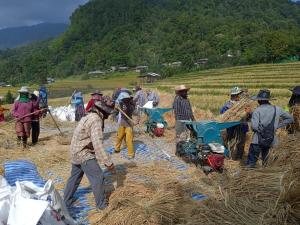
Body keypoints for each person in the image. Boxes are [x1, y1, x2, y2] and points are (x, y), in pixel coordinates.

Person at [64, 100, 115, 210]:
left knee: (75, 177)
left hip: (75, 150)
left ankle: (66, 200)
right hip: (83, 152)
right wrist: (108, 162)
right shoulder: (96, 120)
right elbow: (97, 144)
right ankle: (102, 206)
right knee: (98, 176)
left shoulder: (90, 115)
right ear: (103, 111)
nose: (107, 116)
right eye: (107, 113)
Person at [246, 89, 293, 168]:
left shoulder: (257, 110)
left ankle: (249, 177)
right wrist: (277, 126)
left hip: (257, 140)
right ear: (268, 100)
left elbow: (254, 127)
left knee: (251, 163)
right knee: (267, 163)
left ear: (259, 100)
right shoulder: (277, 109)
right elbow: (290, 118)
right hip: (272, 139)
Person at [220, 87, 248, 160]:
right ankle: (230, 157)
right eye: (239, 94)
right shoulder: (227, 106)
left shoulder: (243, 104)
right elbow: (223, 116)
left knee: (241, 143)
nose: (240, 96)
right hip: (231, 128)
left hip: (242, 126)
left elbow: (248, 115)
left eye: (240, 94)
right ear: (234, 95)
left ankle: (239, 158)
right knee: (231, 142)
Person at [114, 92, 135, 159]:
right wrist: (116, 107)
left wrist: (137, 121)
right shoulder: (121, 103)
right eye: (123, 99)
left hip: (129, 124)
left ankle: (131, 154)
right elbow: (116, 108)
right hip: (122, 123)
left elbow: (136, 113)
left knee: (129, 139)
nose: (124, 100)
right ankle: (117, 148)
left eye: (125, 99)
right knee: (119, 137)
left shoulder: (131, 105)